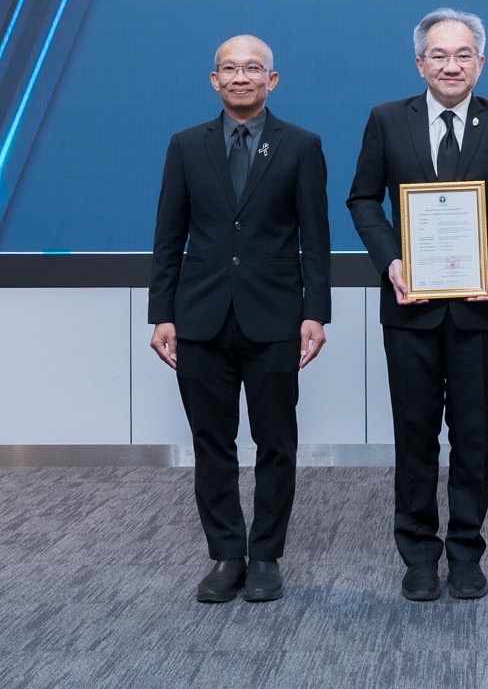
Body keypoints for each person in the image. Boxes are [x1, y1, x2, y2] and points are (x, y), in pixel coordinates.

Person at [347, 7, 488, 602]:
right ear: (420, 63)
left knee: (473, 433)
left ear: (480, 63)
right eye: (439, 55)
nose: (451, 66)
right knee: (415, 433)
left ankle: (465, 552)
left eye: (462, 56)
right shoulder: (387, 120)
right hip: (410, 304)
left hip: (480, 305)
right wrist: (391, 261)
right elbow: (363, 199)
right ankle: (418, 554)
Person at [149, 34, 331, 604]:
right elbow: (168, 237)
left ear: (272, 80)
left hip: (275, 317)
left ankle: (266, 555)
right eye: (229, 69)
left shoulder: (301, 145)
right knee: (212, 442)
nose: (240, 77)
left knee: (275, 441)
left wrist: (315, 313)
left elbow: (315, 241)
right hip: (200, 317)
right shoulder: (186, 145)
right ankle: (228, 554)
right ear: (214, 80)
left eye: (253, 68)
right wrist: (161, 314)